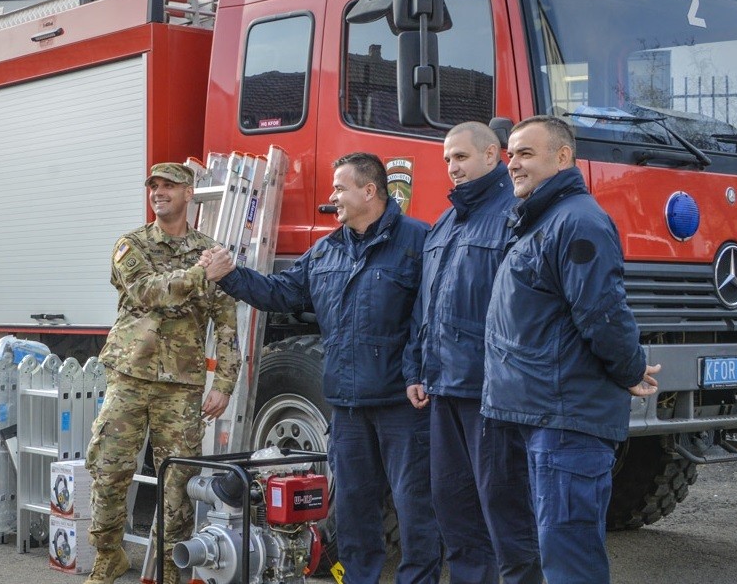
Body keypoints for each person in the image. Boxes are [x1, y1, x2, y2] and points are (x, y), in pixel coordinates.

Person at [200, 152, 441, 584]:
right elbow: (280, 293)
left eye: (339, 188)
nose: (332, 197)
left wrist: (418, 373)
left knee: (416, 509)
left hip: (402, 407)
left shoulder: (420, 242)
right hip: (346, 409)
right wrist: (232, 276)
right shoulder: (326, 251)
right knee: (352, 511)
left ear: (369, 191)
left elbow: (432, 319)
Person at [482, 115, 660, 584]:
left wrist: (631, 368)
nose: (512, 163)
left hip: (565, 424)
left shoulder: (578, 221)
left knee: (569, 562)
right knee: (538, 554)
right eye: (511, 153)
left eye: (525, 153)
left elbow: (603, 313)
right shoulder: (536, 221)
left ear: (563, 157)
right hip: (534, 414)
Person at [84, 162, 240, 584]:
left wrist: (225, 383)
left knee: (177, 483)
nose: (159, 192)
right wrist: (198, 274)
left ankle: (173, 571)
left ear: (189, 193)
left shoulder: (211, 252)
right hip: (129, 376)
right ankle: (108, 554)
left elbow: (227, 324)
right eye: (154, 186)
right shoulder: (130, 245)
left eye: (169, 186)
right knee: (108, 466)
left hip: (181, 386)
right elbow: (146, 291)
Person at [403, 122, 541, 584]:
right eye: (447, 159)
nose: (452, 167)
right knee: (455, 510)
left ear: (491, 156)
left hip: (493, 396)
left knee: (507, 517)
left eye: (460, 157)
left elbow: (527, 309)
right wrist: (417, 368)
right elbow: (426, 306)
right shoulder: (444, 223)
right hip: (444, 391)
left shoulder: (515, 215)